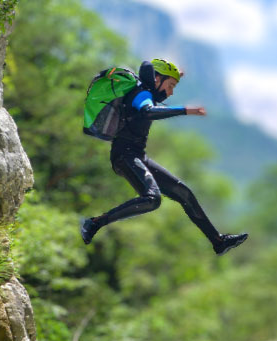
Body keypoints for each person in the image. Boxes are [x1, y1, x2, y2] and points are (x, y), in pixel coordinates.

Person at [80, 59, 249, 255]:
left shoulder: (146, 91)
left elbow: (153, 93)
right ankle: (93, 223)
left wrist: (176, 76)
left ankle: (218, 241)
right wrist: (185, 110)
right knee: (152, 198)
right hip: (124, 156)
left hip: (137, 156)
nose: (171, 92)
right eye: (170, 86)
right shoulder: (141, 93)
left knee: (183, 192)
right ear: (156, 79)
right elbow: (148, 111)